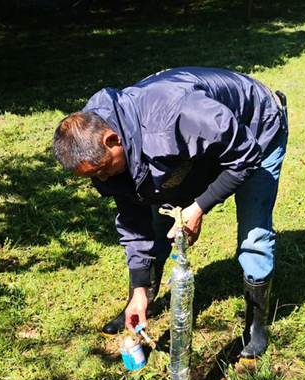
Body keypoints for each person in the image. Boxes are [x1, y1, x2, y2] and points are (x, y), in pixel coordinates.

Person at [52, 67, 288, 361]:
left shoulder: (181, 114)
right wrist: (138, 288)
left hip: (255, 130)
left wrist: (198, 207)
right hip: (195, 147)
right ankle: (142, 300)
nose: (102, 180)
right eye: (93, 176)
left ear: (112, 139)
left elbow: (245, 155)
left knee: (253, 232)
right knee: (156, 220)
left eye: (102, 170)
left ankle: (255, 326)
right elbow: (133, 219)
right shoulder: (97, 140)